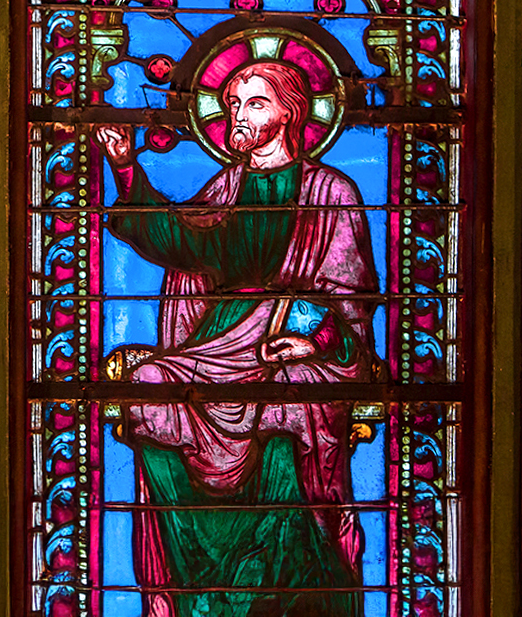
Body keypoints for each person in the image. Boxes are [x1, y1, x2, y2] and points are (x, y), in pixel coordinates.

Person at [94, 60, 378, 617]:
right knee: (146, 384)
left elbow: (351, 304)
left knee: (285, 407)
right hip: (219, 344)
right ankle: (197, 583)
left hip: (286, 347)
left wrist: (314, 342)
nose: (237, 116)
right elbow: (177, 238)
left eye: (253, 102)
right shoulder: (227, 186)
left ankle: (285, 592)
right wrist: (126, 168)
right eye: (231, 104)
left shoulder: (331, 190)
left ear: (289, 112)